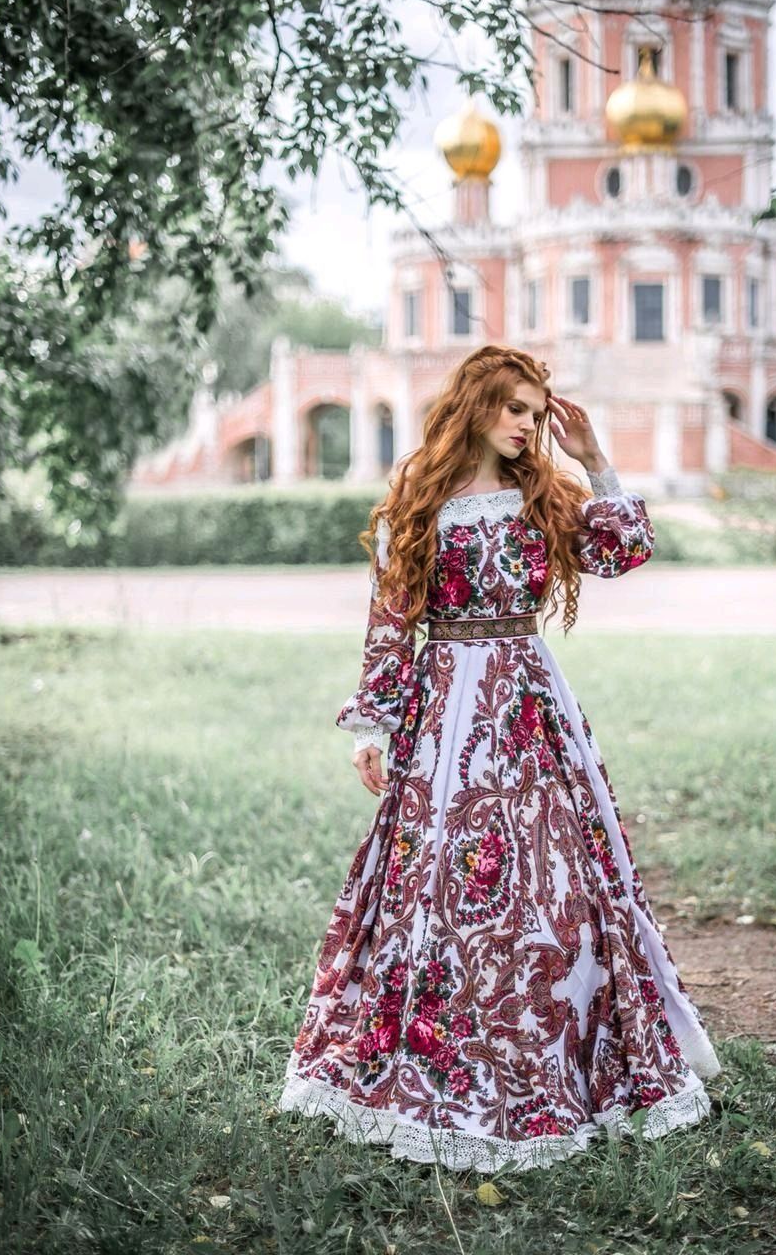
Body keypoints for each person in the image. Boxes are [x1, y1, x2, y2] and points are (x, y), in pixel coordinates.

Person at [278, 344, 720, 1173]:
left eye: (535, 408)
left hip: (526, 702)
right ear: (478, 407)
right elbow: (391, 619)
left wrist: (593, 460)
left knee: (553, 879)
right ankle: (437, 1057)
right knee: (436, 878)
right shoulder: (422, 499)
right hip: (445, 709)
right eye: (515, 407)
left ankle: (553, 1049)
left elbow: (621, 553)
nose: (528, 423)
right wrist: (374, 726)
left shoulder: (542, 493)